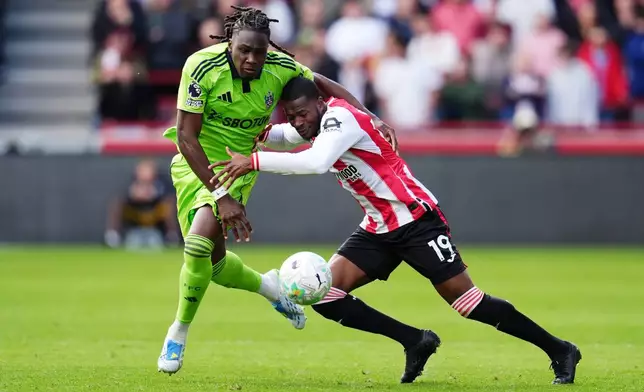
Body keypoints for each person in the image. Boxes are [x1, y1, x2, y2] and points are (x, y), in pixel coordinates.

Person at [208, 77, 582, 385]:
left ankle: (560, 349)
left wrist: (252, 161)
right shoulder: (315, 122)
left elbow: (317, 161)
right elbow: (289, 137)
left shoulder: (342, 119)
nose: (299, 121)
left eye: (303, 113)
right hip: (378, 228)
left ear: (321, 102)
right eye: (292, 115)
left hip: (416, 220)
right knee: (322, 294)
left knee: (467, 303)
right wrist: (255, 132)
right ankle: (415, 340)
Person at [158, 6, 399, 375]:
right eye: (244, 51)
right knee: (216, 268)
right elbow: (186, 136)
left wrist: (371, 116)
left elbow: (323, 86)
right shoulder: (201, 66)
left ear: (268, 47)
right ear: (229, 44)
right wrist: (220, 198)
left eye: (259, 51)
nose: (252, 59)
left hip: (237, 165)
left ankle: (179, 330)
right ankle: (270, 288)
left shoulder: (281, 66)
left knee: (196, 243)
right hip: (196, 161)